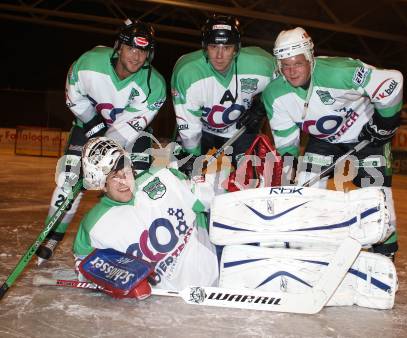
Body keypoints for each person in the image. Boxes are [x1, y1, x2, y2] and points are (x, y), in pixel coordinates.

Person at [262, 27, 403, 260]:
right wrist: (288, 179)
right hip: (324, 140)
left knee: (377, 194)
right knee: (306, 186)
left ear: (310, 58)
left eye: (297, 63)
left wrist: (384, 123)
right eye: (285, 65)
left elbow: (392, 81)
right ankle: (310, 244)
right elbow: (287, 145)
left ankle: (385, 253)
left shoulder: (339, 72)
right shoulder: (275, 94)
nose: (291, 71)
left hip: (365, 136)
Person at [36, 19, 167, 265]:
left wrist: (100, 156)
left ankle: (135, 238)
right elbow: (74, 97)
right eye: (131, 48)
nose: (137, 56)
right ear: (119, 47)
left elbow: (131, 126)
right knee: (68, 183)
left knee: (134, 186)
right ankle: (52, 236)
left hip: (130, 136)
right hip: (86, 128)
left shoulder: (155, 85)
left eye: (143, 50)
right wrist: (94, 126)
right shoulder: (89, 63)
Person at [73, 137, 219, 291]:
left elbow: (208, 200)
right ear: (101, 183)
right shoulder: (93, 227)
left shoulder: (162, 176)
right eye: (114, 176)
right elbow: (84, 266)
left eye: (126, 171)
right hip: (171, 303)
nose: (124, 181)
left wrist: (197, 180)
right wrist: (112, 278)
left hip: (216, 275)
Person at [171, 14, 275, 175]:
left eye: (226, 48)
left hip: (240, 130)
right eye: (213, 47)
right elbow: (189, 125)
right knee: (181, 173)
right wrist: (192, 157)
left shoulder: (261, 65)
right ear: (205, 47)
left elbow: (286, 81)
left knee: (251, 179)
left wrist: (262, 106)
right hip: (201, 129)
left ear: (236, 49)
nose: (219, 56)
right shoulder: (188, 72)